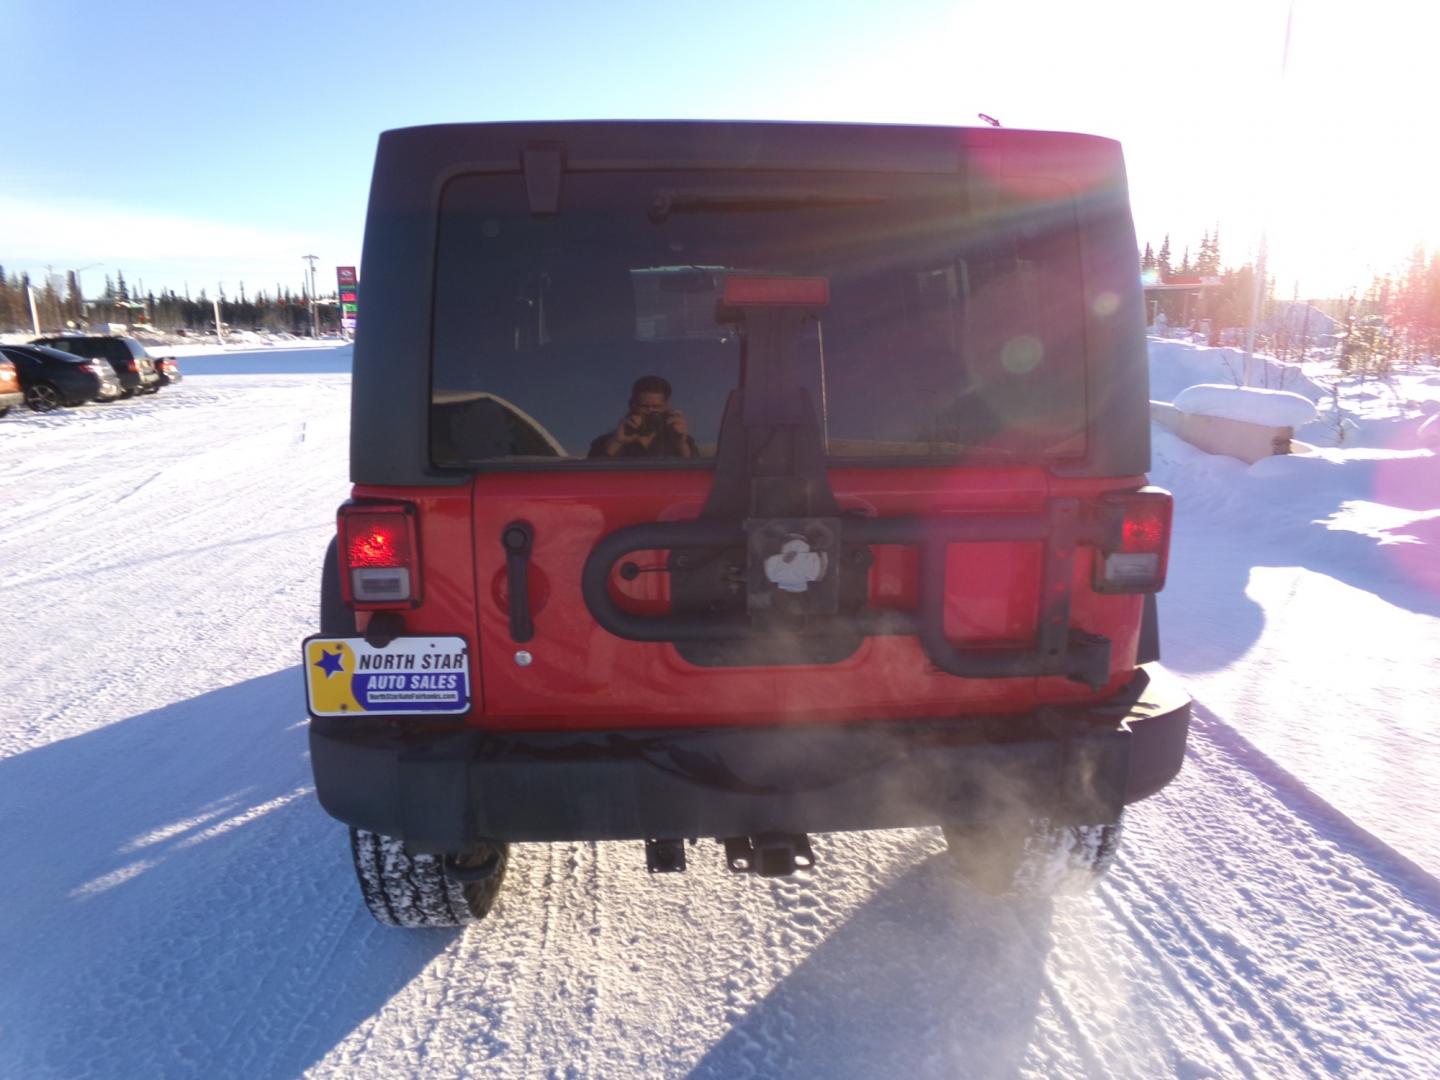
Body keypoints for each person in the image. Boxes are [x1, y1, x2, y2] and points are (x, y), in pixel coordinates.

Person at [588, 375, 697, 459]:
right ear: (632, 406)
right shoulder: (607, 441)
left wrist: (682, 445)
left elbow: (697, 477)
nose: (650, 412)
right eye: (644, 407)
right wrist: (617, 442)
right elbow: (589, 477)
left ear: (667, 407)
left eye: (657, 407)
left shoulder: (680, 441)